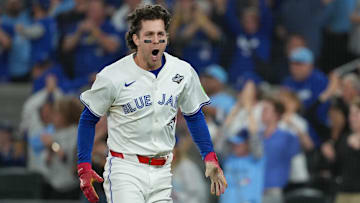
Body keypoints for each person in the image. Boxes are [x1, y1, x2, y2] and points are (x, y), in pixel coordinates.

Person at [76, 4, 227, 203]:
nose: (156, 40)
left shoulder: (182, 71)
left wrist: (209, 156)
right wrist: (84, 166)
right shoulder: (113, 75)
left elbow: (194, 115)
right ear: (136, 39)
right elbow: (88, 119)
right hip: (125, 169)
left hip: (163, 170)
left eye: (160, 34)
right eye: (149, 34)